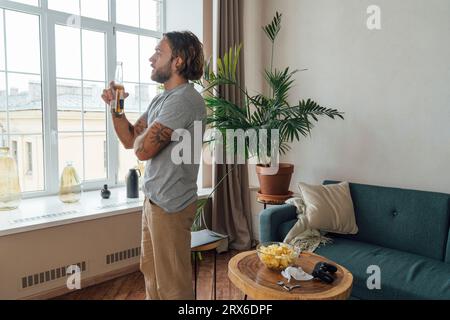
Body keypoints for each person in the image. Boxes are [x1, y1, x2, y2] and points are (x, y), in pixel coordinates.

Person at [101, 31, 206, 300]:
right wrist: (116, 105)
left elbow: (143, 150)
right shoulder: (162, 99)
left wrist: (141, 140)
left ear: (178, 61)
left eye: (159, 52)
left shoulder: (184, 100)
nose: (151, 58)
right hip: (154, 200)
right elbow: (130, 140)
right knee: (152, 275)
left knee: (173, 286)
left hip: (172, 204)